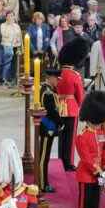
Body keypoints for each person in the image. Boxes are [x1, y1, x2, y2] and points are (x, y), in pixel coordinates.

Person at [75, 91, 105, 208]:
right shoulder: (81, 136)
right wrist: (99, 172)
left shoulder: (101, 132)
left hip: (99, 175)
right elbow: (86, 159)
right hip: (86, 176)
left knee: (95, 207)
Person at [55, 37, 86, 171]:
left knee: (62, 136)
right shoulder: (75, 75)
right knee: (70, 138)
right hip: (72, 108)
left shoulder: (58, 74)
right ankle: (68, 162)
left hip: (59, 107)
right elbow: (80, 96)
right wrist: (80, 107)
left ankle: (61, 159)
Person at [38, 65, 63, 193]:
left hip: (48, 126)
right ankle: (42, 184)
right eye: (57, 78)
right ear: (51, 78)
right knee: (44, 157)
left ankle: (43, 182)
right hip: (47, 127)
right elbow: (52, 111)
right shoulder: (48, 92)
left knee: (45, 156)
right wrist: (61, 122)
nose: (58, 81)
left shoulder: (47, 89)